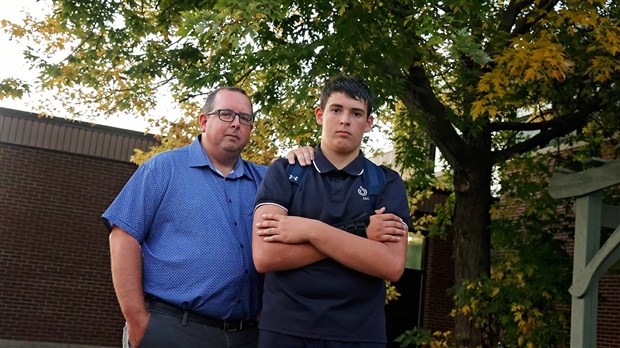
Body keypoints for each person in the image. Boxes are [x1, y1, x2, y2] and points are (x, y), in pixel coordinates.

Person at [103, 86, 310, 348]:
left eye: (244, 118)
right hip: (173, 329)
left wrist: (301, 160)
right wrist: (137, 319)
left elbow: (309, 213)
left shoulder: (266, 181)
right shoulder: (164, 168)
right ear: (203, 121)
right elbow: (123, 236)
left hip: (246, 334)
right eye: (226, 114)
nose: (236, 123)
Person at [252, 75, 411, 347]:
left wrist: (310, 229)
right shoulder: (286, 171)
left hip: (360, 334)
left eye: (356, 113)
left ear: (368, 123)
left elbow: (391, 265)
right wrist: (360, 231)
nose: (345, 120)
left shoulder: (386, 182)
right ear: (319, 115)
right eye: (336, 110)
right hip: (285, 331)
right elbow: (266, 256)